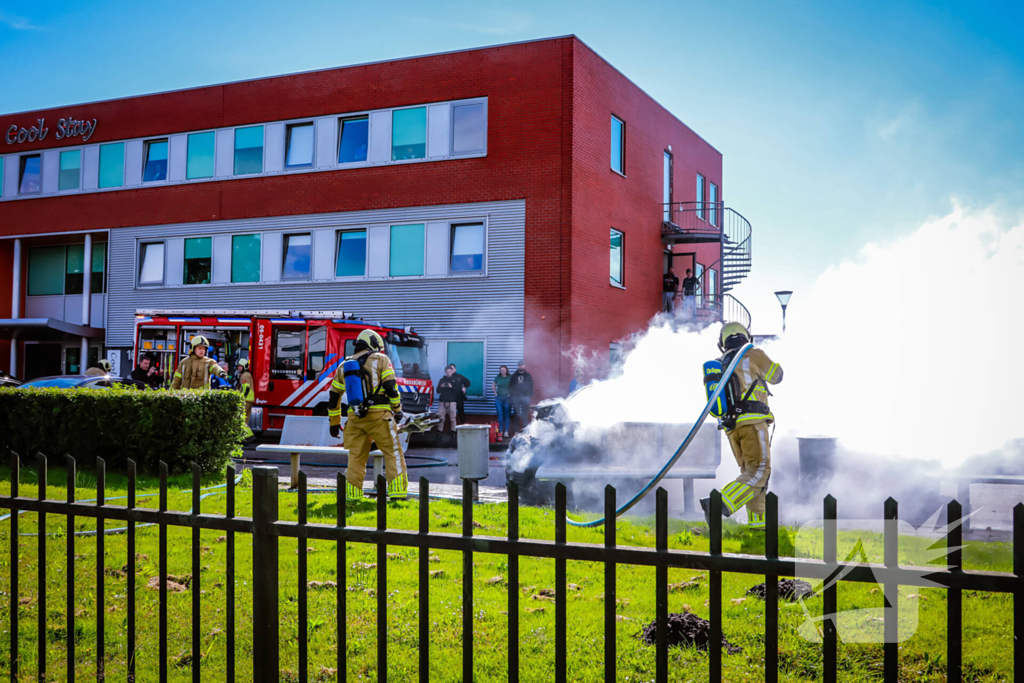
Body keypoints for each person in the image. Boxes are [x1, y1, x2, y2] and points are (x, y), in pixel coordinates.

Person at [700, 322, 784, 530]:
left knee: (752, 473)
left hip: (733, 429)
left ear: (722, 343)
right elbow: (777, 376)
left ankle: (758, 525)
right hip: (753, 422)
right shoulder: (752, 353)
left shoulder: (722, 362)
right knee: (760, 471)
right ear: (746, 336)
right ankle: (717, 503)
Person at [327, 329, 408, 501]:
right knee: (393, 452)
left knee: (356, 457)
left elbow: (334, 397)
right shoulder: (381, 359)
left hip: (355, 419)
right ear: (373, 344)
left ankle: (352, 497)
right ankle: (398, 494)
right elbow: (391, 388)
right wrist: (398, 410)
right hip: (379, 416)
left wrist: (334, 422)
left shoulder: (343, 366)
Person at [435, 365, 462, 444]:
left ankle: (453, 433)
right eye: (447, 372)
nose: (448, 373)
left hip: (452, 401)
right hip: (442, 400)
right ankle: (439, 433)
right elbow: (437, 391)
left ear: (452, 371)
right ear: (445, 372)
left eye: (449, 372)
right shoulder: (442, 380)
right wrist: (441, 386)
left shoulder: (455, 380)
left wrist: (451, 387)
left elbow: (458, 391)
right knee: (441, 417)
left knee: (452, 417)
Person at [509, 360, 534, 432]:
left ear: (524, 366)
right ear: (518, 366)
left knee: (525, 413)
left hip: (525, 397)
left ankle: (525, 430)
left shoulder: (528, 375)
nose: (520, 366)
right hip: (516, 397)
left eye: (522, 365)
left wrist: (529, 396)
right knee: (516, 414)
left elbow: (531, 386)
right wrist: (512, 396)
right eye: (519, 365)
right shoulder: (514, 376)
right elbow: (510, 387)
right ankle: (516, 431)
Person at [493, 365, 512, 439]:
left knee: (507, 415)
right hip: (499, 399)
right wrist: (495, 393)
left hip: (508, 399)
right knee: (500, 415)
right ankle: (500, 431)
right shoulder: (498, 377)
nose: (503, 371)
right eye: (501, 370)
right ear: (500, 371)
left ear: (506, 370)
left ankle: (506, 432)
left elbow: (513, 386)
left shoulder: (510, 377)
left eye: (504, 370)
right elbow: (493, 386)